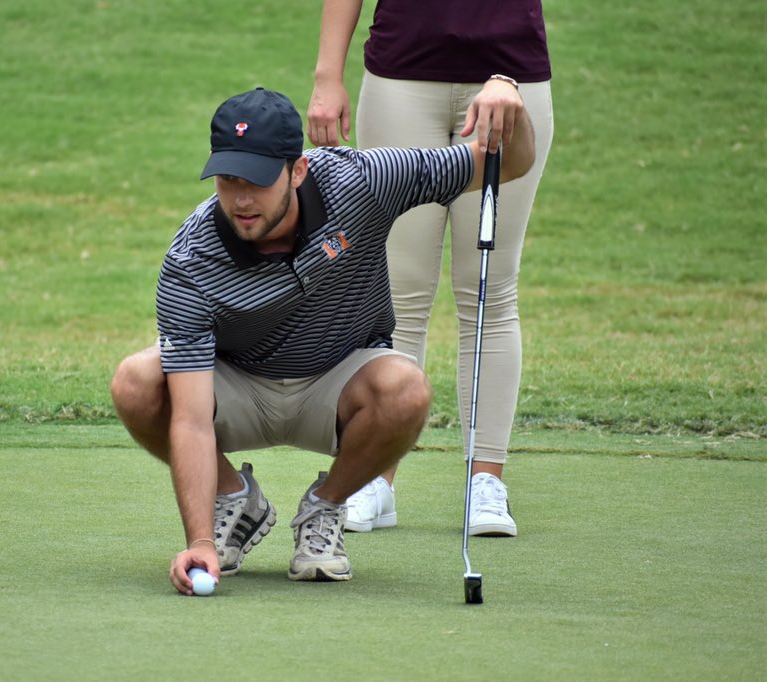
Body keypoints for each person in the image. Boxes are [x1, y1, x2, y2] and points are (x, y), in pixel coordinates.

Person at [110, 86, 534, 595]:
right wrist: (198, 539)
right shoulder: (192, 258)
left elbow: (506, 163)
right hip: (239, 385)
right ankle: (233, 501)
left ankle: (326, 507)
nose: (241, 200)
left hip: (338, 381)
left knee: (407, 389)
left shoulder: (362, 182)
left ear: (297, 170)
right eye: (227, 180)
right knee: (137, 381)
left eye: (259, 181)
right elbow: (193, 420)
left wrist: (509, 98)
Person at [307, 0, 555, 536]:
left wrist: (508, 75)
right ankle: (374, 480)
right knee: (399, 289)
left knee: (489, 289)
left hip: (512, 77)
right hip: (402, 72)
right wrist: (328, 74)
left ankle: (485, 483)